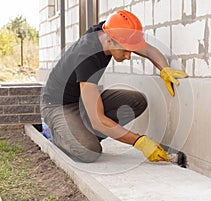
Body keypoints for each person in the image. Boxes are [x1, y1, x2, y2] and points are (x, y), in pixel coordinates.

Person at [41, 10, 188, 165]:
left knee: (137, 101)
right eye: (125, 50)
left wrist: (164, 69)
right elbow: (98, 122)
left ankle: (83, 133)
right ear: (110, 40)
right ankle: (55, 133)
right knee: (89, 152)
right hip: (58, 105)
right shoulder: (87, 58)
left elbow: (148, 50)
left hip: (81, 100)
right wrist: (140, 142)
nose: (129, 56)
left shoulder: (112, 31)